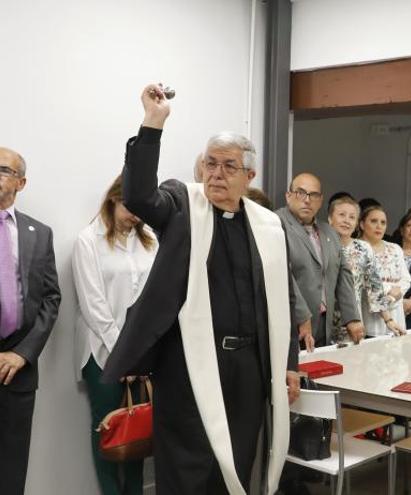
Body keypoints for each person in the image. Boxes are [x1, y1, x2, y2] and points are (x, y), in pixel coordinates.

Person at [102, 84, 310, 494]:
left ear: (250, 175)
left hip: (250, 369)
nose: (216, 174)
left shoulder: (268, 225)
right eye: (210, 164)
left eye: (229, 166)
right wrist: (152, 124)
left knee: (237, 464)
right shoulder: (183, 206)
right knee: (187, 471)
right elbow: (140, 195)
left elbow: (281, 301)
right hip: (188, 367)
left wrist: (289, 361)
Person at [73, 176, 156, 495]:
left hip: (142, 354)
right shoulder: (88, 240)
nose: (136, 215)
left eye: (141, 209)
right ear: (113, 199)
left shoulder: (149, 238)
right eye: (129, 207)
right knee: (107, 428)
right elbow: (93, 306)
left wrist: (139, 352)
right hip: (102, 353)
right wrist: (124, 355)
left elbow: (155, 297)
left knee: (137, 426)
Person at [0, 146, 61, 495]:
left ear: (21, 182)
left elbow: (51, 298)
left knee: (12, 466)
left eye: (4, 170)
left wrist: (23, 354)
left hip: (18, 369)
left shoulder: (40, 233)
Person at [276, 173, 364, 349]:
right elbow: (281, 274)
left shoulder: (329, 232)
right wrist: (302, 316)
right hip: (291, 323)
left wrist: (352, 318)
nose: (307, 200)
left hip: (324, 323)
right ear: (288, 195)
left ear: (321, 200)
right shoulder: (275, 224)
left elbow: (343, 275)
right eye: (301, 193)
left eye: (313, 195)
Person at [327, 195, 403, 339]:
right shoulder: (320, 245)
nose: (346, 220)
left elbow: (374, 289)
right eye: (341, 215)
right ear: (330, 218)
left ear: (357, 223)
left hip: (353, 324)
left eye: (352, 217)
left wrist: (389, 320)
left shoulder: (363, 248)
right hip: (322, 324)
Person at [359, 205, 411, 336]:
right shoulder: (357, 249)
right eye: (373, 221)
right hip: (369, 319)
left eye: (383, 222)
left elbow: (406, 279)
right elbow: (366, 285)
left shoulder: (395, 248)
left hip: (396, 316)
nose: (379, 226)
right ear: (361, 224)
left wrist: (394, 297)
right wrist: (390, 293)